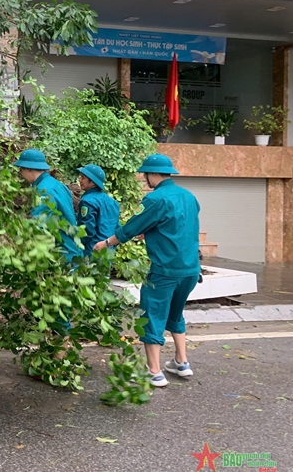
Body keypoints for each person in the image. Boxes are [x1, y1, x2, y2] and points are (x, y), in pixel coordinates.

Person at [93, 153, 201, 388]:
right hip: (191, 269)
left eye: (145, 175)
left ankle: (153, 372)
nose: (145, 180)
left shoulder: (155, 199)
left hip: (165, 269)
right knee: (175, 313)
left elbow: (132, 227)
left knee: (151, 315)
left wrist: (107, 243)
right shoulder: (189, 196)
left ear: (152, 174)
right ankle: (182, 363)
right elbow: (177, 226)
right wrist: (151, 231)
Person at [13, 149, 81, 261]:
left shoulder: (43, 191)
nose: (21, 174)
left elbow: (38, 225)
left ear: (29, 168)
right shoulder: (58, 185)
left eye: (21, 170)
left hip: (62, 254)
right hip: (72, 249)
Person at [76, 164, 121, 257]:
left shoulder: (87, 201)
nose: (80, 180)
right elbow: (117, 228)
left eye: (83, 178)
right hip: (108, 252)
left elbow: (87, 230)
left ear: (93, 183)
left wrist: (76, 244)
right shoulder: (113, 202)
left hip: (92, 251)